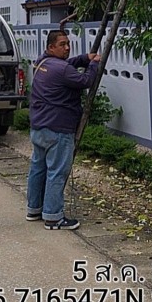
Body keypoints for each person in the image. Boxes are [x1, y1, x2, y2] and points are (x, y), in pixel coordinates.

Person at [26, 29, 100, 230]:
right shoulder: (62, 69)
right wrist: (93, 63)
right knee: (57, 172)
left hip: (39, 126)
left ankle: (34, 208)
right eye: (62, 45)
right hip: (58, 128)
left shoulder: (41, 62)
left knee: (38, 169)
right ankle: (53, 217)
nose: (67, 48)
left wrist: (84, 58)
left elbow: (66, 65)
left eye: (68, 44)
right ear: (51, 47)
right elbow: (86, 81)